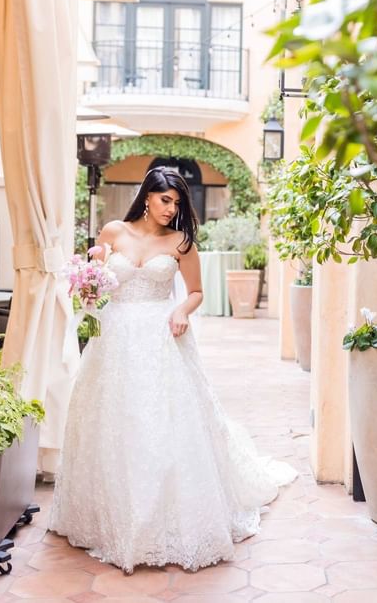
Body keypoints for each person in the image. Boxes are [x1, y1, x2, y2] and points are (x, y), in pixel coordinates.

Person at [49, 166, 296, 573]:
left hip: (162, 338)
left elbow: (196, 291)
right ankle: (109, 516)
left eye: (177, 203)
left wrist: (181, 309)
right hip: (113, 341)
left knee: (161, 424)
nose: (171, 209)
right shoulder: (112, 232)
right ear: (147, 196)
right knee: (114, 423)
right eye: (166, 200)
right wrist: (89, 282)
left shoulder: (181, 242)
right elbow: (98, 285)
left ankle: (163, 519)